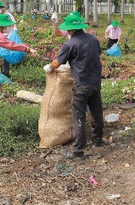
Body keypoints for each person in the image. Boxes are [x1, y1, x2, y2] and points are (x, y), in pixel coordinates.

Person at [44, 13, 103, 160]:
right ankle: (97, 140)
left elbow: (57, 63)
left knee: (79, 116)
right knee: (96, 112)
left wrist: (49, 67)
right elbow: (95, 55)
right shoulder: (93, 39)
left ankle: (78, 151)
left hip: (82, 84)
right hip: (95, 82)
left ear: (70, 30)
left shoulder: (70, 44)